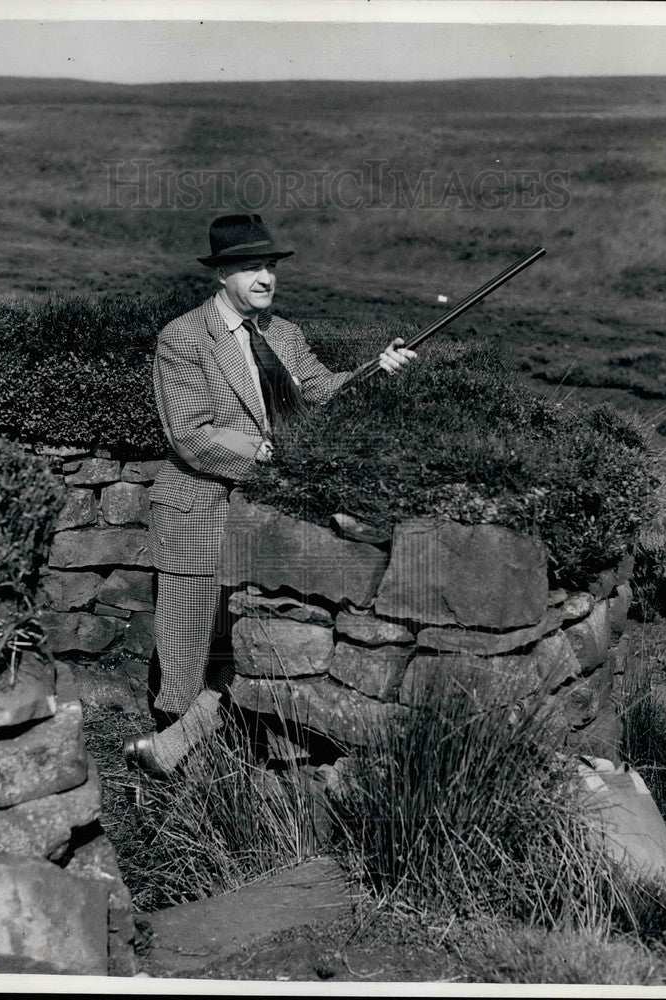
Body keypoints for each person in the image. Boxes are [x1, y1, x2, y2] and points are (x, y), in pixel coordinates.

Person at [124, 213, 416, 779]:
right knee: (188, 643)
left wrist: (377, 369)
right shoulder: (183, 338)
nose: (266, 276)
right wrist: (266, 453)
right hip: (198, 507)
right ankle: (175, 782)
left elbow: (321, 391)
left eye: (272, 266)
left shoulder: (283, 334)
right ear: (222, 274)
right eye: (253, 266)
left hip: (260, 514)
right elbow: (190, 433)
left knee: (255, 640)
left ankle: (179, 756)